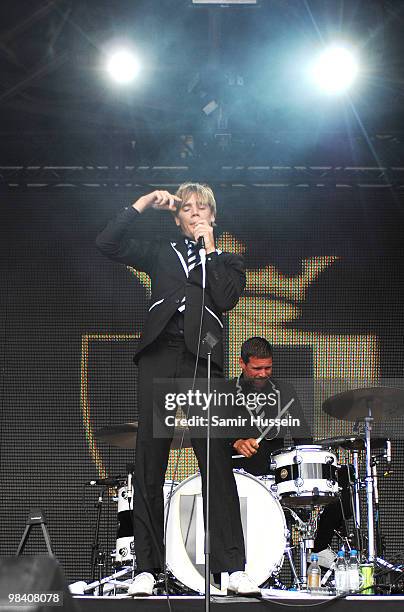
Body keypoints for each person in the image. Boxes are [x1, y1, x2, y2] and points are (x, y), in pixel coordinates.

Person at [96, 184, 260, 596]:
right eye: (187, 209)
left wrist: (211, 250)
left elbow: (225, 299)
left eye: (202, 209)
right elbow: (107, 243)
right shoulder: (160, 251)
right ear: (176, 217)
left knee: (217, 462)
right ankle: (146, 569)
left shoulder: (228, 262)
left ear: (212, 217)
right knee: (150, 461)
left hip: (202, 360)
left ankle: (231, 568)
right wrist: (144, 202)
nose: (194, 214)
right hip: (159, 354)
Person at [228, 336, 353, 567]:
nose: (263, 373)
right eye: (256, 368)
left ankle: (320, 545)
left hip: (274, 475)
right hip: (236, 477)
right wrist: (235, 441)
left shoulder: (284, 391)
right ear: (242, 364)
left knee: (345, 478)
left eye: (268, 367)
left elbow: (302, 435)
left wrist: (311, 457)